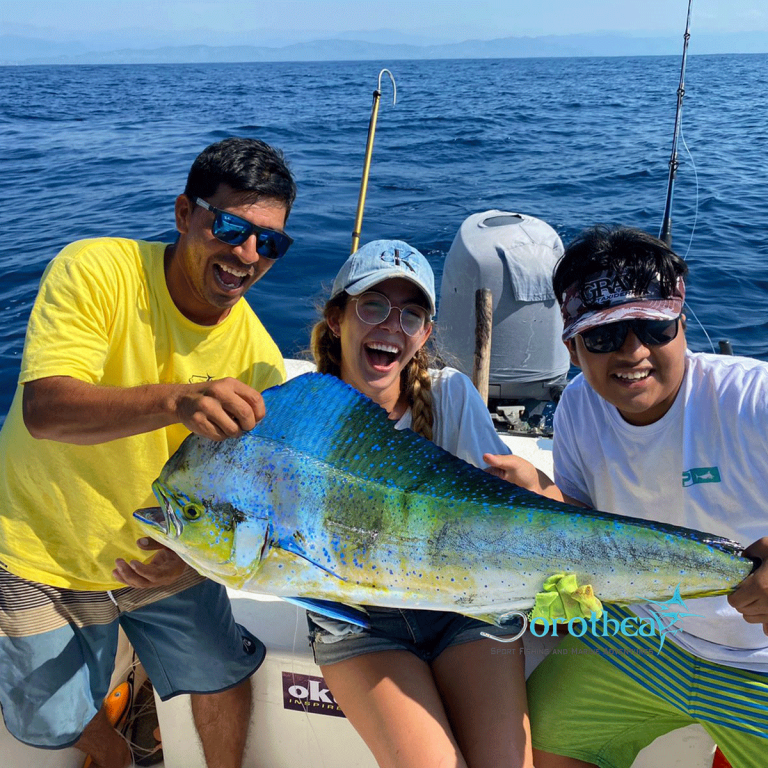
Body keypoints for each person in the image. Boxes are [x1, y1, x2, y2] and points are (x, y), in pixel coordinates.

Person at [0, 137, 297, 768]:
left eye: (269, 241)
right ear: (185, 214)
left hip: (156, 555)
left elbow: (246, 499)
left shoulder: (262, 362)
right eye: (230, 226)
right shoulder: (96, 270)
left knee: (223, 673)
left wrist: (184, 555)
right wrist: (177, 401)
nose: (247, 255)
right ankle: (118, 755)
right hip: (38, 552)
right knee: (46, 723)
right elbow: (45, 410)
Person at [486, 225, 768, 768]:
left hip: (759, 662)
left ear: (681, 323)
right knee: (535, 741)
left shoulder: (750, 397)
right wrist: (545, 502)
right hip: (643, 632)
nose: (633, 350)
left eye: (654, 327)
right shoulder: (576, 408)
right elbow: (592, 536)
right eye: (602, 336)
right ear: (570, 348)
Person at [307, 238, 533, 768]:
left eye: (411, 315)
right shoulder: (303, 415)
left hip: (462, 606)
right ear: (337, 319)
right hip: (358, 621)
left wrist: (535, 487)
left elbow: (509, 502)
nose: (392, 325)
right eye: (373, 306)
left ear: (426, 333)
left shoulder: (451, 394)